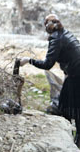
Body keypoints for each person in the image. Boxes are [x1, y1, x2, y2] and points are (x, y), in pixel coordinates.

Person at [20, 14, 80, 147]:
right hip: (74, 73)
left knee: (72, 108)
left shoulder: (56, 38)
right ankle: (70, 138)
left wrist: (28, 60)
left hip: (76, 75)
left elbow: (48, 64)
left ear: (48, 26)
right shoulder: (65, 33)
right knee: (64, 103)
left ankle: (70, 141)